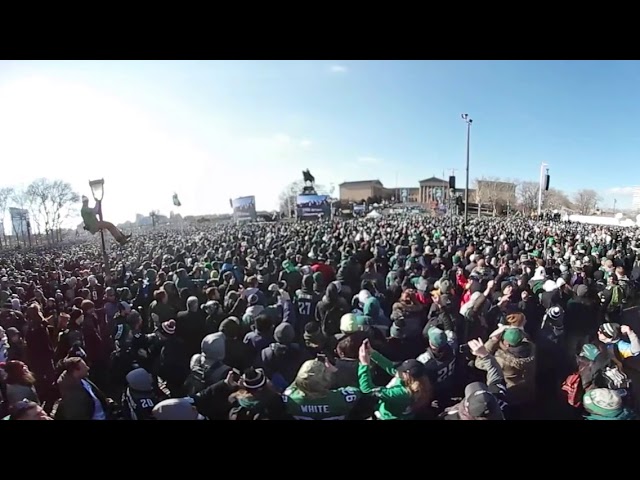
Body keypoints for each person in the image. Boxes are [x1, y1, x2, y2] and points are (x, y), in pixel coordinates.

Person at [358, 339, 433, 420]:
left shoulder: (402, 393)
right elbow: (393, 369)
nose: (399, 371)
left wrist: (364, 364)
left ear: (408, 376)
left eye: (403, 370)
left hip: (386, 417)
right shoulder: (422, 383)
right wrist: (372, 353)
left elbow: (367, 390)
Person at [282, 358, 362, 420]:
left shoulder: (289, 399)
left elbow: (294, 385)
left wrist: (305, 374)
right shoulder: (342, 399)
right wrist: (335, 372)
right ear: (326, 380)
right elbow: (356, 388)